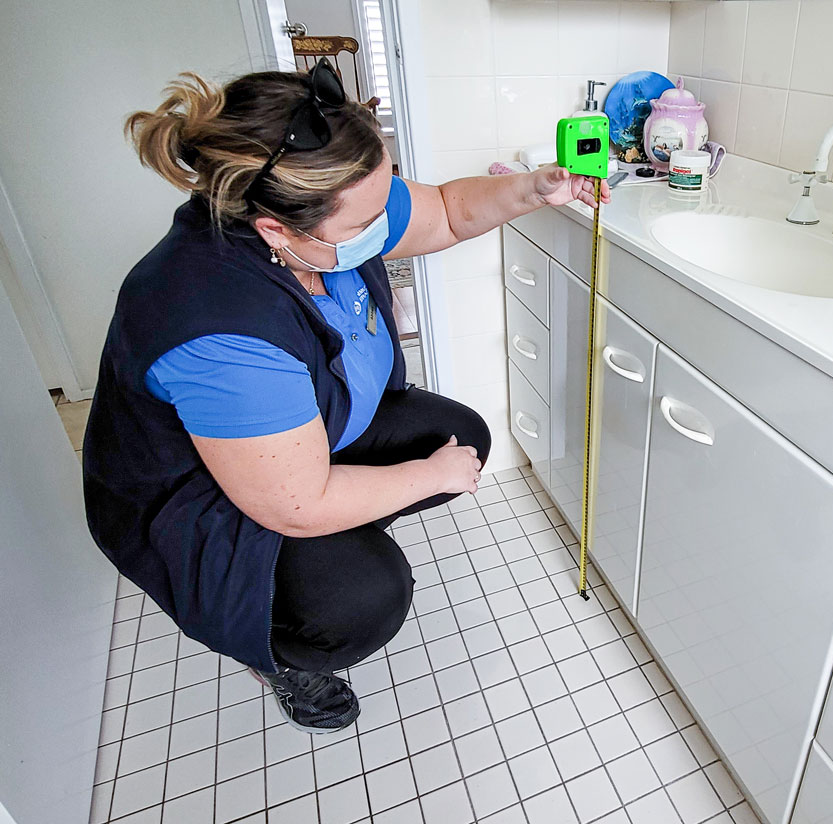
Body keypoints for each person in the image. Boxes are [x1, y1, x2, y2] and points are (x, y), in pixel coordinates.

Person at [83, 61, 608, 732]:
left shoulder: (322, 216)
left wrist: (535, 189)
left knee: (460, 436)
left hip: (299, 444)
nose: (383, 223)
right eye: (366, 219)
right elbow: (297, 504)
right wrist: (423, 475)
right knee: (358, 599)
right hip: (201, 503)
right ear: (277, 230)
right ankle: (282, 655)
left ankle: (338, 534)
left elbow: (444, 210)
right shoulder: (217, 324)